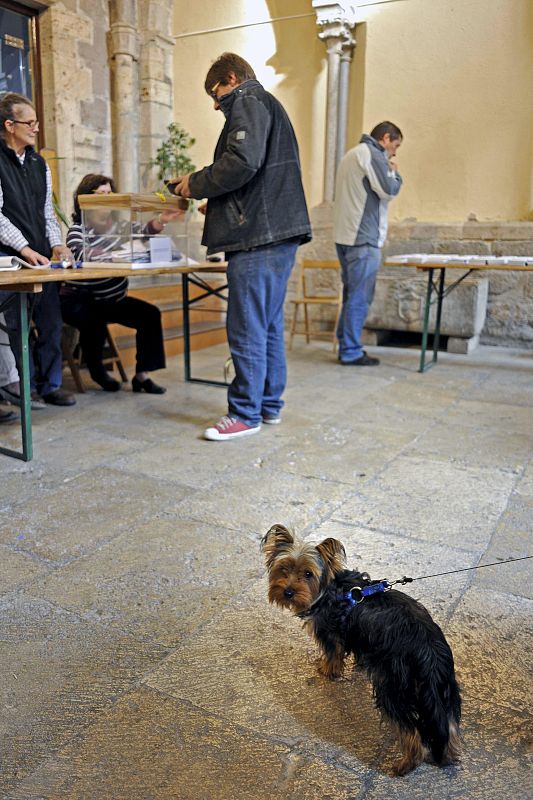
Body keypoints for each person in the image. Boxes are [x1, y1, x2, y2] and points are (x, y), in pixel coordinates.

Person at [172, 52, 311, 441]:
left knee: (247, 326)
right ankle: (268, 405)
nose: (216, 105)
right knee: (267, 325)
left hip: (258, 238)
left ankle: (245, 413)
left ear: (231, 79)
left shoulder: (247, 98)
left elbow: (242, 162)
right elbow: (256, 174)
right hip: (274, 232)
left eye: (215, 94)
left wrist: (196, 182)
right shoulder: (267, 104)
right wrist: (218, 202)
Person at [61, 174, 178, 393]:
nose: (107, 198)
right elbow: (78, 252)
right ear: (85, 199)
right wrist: (111, 255)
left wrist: (162, 220)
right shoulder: (78, 229)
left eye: (110, 193)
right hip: (78, 300)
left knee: (150, 315)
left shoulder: (121, 226)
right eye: (101, 194)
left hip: (111, 299)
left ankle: (142, 376)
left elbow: (144, 232)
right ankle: (97, 371)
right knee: (93, 320)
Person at [0, 92, 76, 406]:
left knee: (51, 322)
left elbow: (47, 212)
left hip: (42, 257)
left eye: (36, 122)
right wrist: (24, 248)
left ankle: (51, 385)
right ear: (9, 125)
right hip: (11, 259)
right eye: (29, 123)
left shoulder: (38, 163)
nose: (36, 128)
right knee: (18, 325)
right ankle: (25, 388)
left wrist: (57, 243)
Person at [334, 121, 403, 366]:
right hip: (362, 238)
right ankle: (351, 351)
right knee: (360, 297)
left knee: (351, 295)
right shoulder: (371, 154)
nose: (394, 153)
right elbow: (388, 189)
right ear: (385, 138)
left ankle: (345, 345)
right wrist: (394, 173)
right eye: (395, 146)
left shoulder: (351, 154)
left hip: (345, 235)